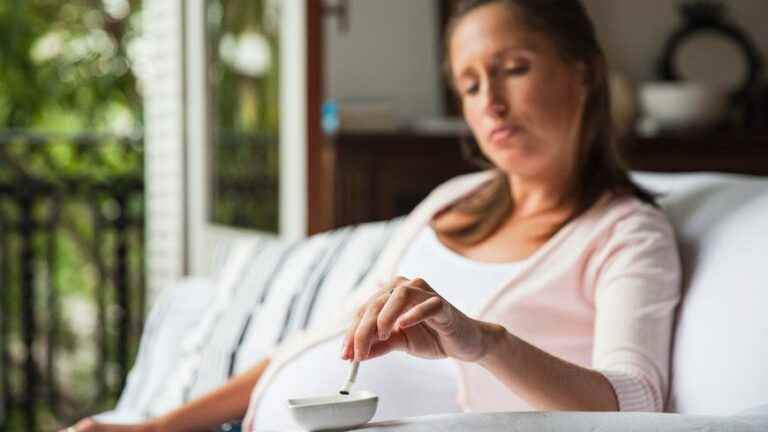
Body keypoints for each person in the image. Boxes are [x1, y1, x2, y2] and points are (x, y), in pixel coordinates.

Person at [65, 0, 681, 430]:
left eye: (513, 69)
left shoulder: (627, 235)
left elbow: (634, 405)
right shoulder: (452, 203)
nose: (490, 102)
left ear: (585, 74)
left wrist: (484, 342)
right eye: (468, 85)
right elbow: (319, 341)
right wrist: (158, 427)